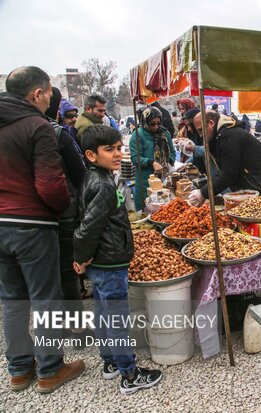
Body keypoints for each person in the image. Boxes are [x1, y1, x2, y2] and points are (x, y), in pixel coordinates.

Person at [0, 66, 85, 393]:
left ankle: (20, 370)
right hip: (32, 225)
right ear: (37, 93)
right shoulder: (37, 126)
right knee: (45, 297)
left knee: (12, 300)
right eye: (49, 93)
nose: (51, 100)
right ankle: (50, 369)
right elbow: (51, 187)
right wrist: (64, 208)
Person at [73, 125, 163, 394]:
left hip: (101, 262)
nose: (117, 154)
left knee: (102, 315)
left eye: (118, 147)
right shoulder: (102, 185)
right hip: (109, 263)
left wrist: (84, 257)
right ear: (91, 155)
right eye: (109, 149)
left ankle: (110, 361)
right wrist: (82, 256)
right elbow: (89, 227)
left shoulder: (94, 178)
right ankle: (129, 374)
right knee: (117, 321)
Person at [45, 88, 91, 346]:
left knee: (41, 280)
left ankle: (55, 332)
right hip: (60, 214)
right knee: (67, 272)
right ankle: (77, 332)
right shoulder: (56, 134)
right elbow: (80, 175)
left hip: (22, 217)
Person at [187, 111, 261, 205]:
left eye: (201, 131)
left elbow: (229, 173)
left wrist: (204, 193)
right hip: (259, 182)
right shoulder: (222, 136)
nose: (201, 136)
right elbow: (224, 169)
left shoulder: (229, 135)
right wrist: (206, 189)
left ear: (211, 123)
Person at [129, 107, 176, 211]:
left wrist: (169, 162)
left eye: (158, 123)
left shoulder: (165, 133)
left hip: (164, 177)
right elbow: (135, 158)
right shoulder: (137, 135)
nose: (156, 127)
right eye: (152, 124)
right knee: (145, 208)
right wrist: (151, 163)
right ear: (145, 122)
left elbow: (172, 152)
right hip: (145, 178)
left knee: (164, 210)